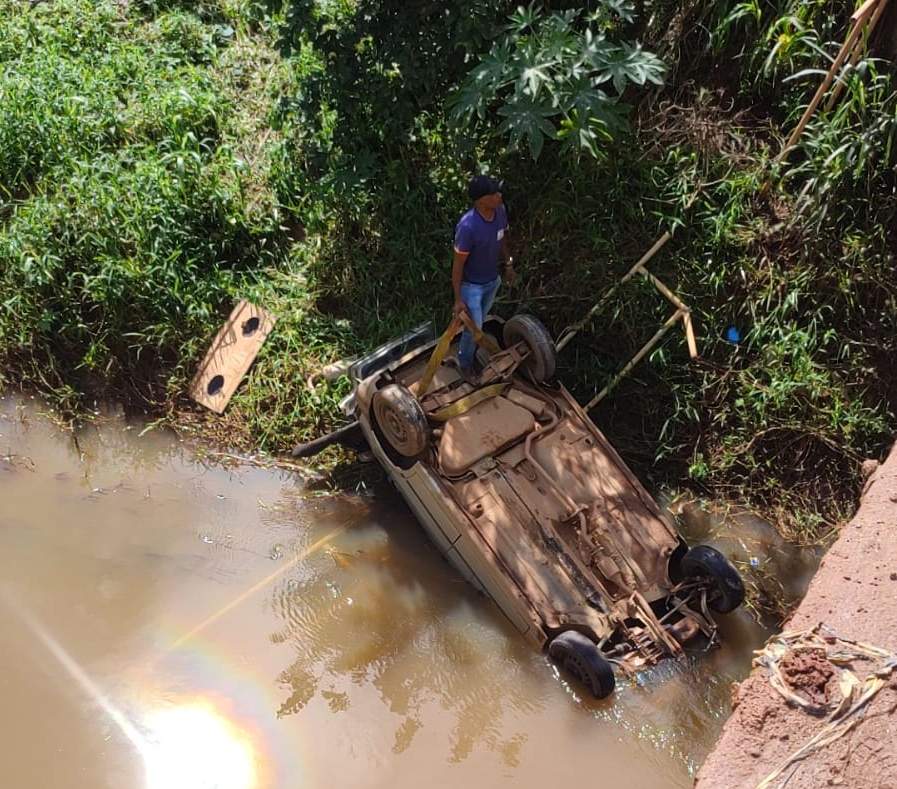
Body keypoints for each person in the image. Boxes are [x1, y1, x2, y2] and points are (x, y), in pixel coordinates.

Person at [451, 175, 516, 373]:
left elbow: (502, 237)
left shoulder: (500, 211)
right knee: (475, 327)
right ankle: (465, 364)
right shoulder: (468, 227)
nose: (499, 195)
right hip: (472, 286)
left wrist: (508, 264)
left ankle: (473, 352)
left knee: (478, 322)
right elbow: (457, 266)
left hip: (492, 281)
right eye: (494, 193)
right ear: (481, 200)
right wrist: (458, 299)